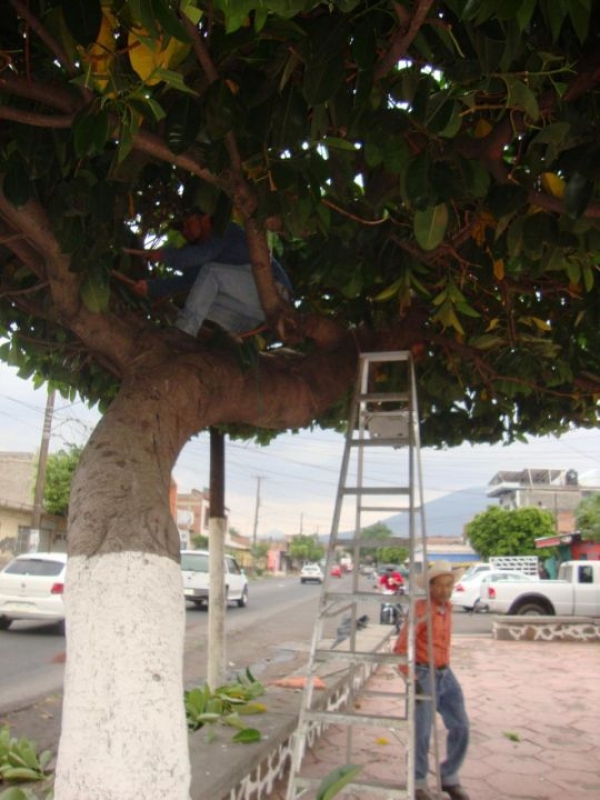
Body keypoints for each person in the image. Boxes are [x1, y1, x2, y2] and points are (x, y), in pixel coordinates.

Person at [133, 210, 292, 337]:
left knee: (211, 272)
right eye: (182, 229)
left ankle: (182, 334)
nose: (185, 231)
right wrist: (149, 286)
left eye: (189, 224)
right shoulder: (206, 257)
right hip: (253, 314)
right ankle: (220, 343)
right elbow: (188, 283)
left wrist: (164, 255)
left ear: (205, 218)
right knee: (196, 296)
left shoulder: (223, 231)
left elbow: (202, 255)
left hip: (273, 291)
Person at [393, 561, 470, 800]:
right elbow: (401, 648)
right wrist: (411, 676)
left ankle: (449, 776)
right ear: (430, 587)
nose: (446, 590)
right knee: (422, 731)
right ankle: (417, 781)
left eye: (450, 585)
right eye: (441, 586)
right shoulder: (419, 610)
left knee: (461, 726)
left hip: (445, 673)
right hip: (423, 674)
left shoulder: (448, 608)